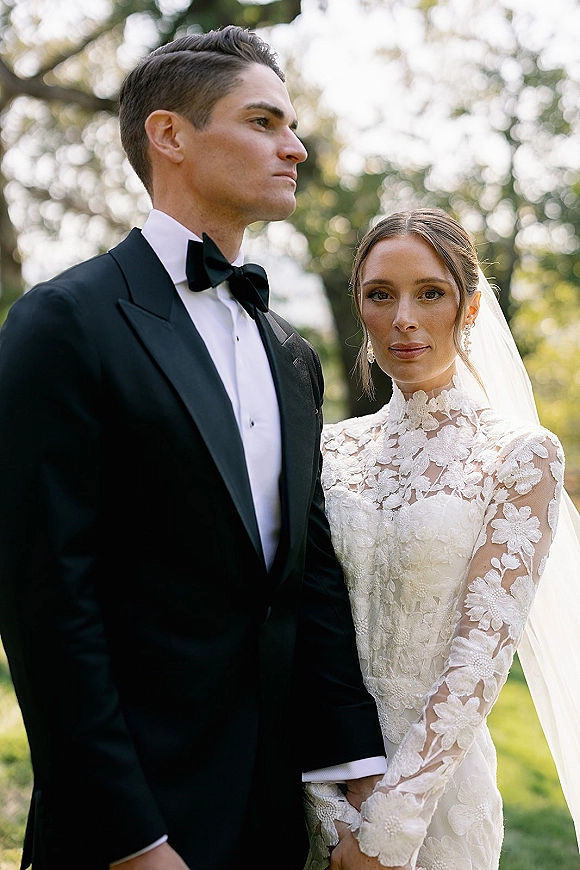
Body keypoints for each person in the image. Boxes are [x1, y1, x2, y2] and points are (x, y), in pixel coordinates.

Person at [0, 26, 388, 870]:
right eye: (264, 121)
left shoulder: (291, 351)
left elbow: (306, 574)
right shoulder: (63, 323)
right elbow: (46, 606)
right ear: (170, 135)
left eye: (292, 125)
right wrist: (132, 839)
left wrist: (359, 778)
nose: (297, 146)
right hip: (131, 822)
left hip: (275, 808)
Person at [303, 208, 580, 870]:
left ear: (471, 308)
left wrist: (386, 833)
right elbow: (302, 626)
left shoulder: (519, 455)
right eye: (380, 294)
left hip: (436, 805)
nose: (404, 317)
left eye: (430, 292)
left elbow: (481, 658)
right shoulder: (328, 448)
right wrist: (328, 807)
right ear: (361, 308)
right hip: (316, 786)